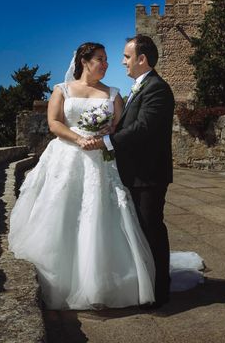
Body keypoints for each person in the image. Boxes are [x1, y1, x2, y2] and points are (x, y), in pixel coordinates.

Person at [8, 42, 156, 310]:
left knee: (100, 213)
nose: (107, 64)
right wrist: (79, 139)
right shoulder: (61, 90)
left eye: (108, 59)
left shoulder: (113, 93)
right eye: (100, 59)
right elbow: (54, 123)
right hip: (67, 157)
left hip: (101, 160)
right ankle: (61, 279)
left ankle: (101, 282)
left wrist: (103, 137)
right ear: (84, 61)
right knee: (62, 211)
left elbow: (121, 127)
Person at [85, 35, 175, 308]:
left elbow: (144, 128)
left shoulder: (157, 89)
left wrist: (107, 141)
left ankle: (160, 291)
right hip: (135, 172)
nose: (122, 62)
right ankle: (145, 282)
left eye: (126, 56)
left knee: (152, 229)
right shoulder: (140, 87)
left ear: (141, 59)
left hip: (148, 174)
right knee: (140, 231)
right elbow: (131, 126)